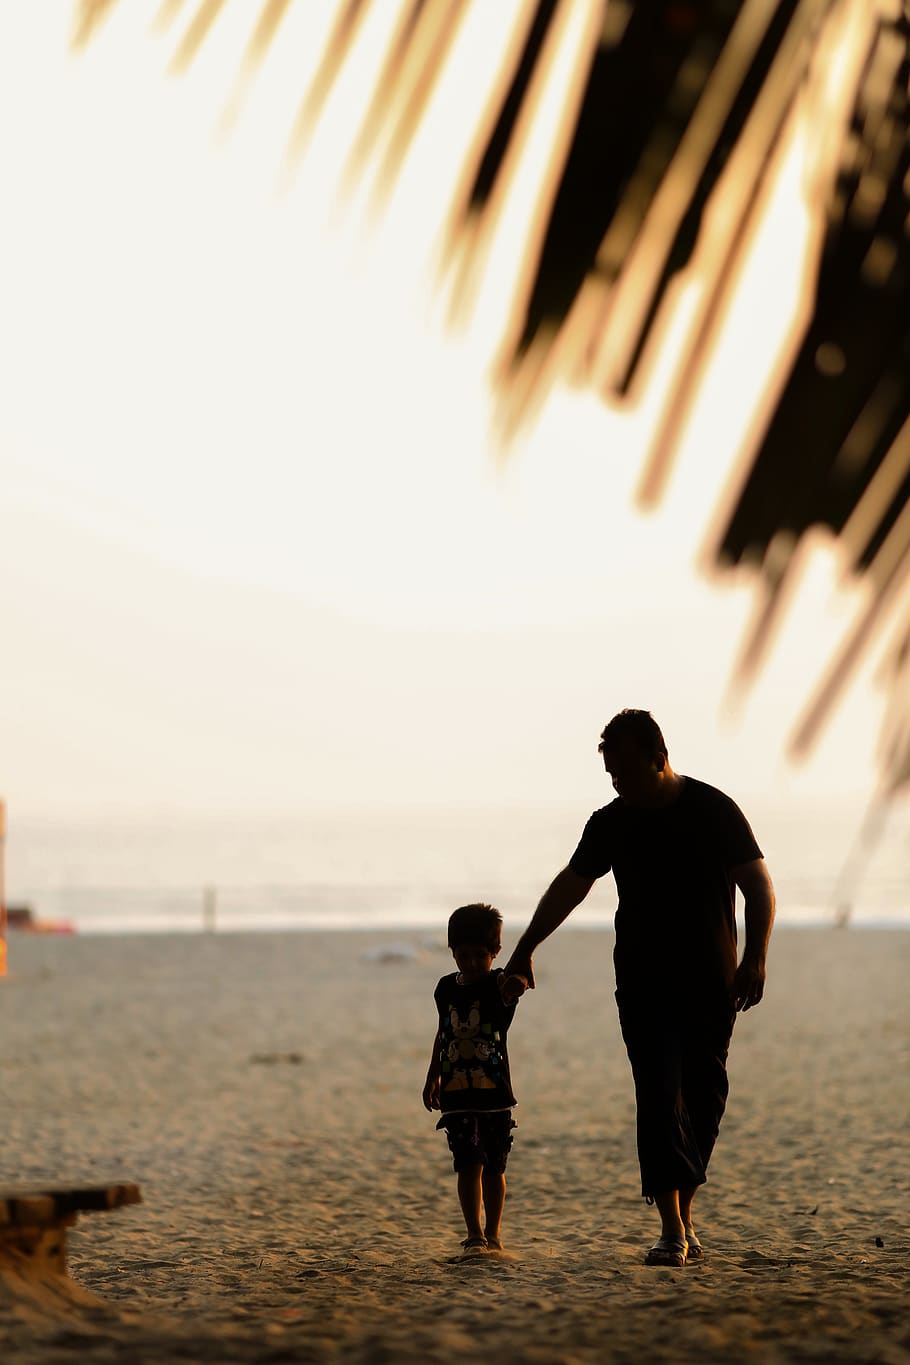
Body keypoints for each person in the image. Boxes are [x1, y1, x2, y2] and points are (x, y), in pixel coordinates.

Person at [502, 709, 775, 1267]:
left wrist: (757, 958)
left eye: (625, 770)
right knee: (657, 1098)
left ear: (658, 757)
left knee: (704, 1098)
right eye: (611, 774)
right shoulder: (610, 822)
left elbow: (758, 886)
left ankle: (686, 1216)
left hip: (712, 983)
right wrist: (526, 946)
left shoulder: (713, 809)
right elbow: (570, 887)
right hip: (644, 982)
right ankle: (671, 1230)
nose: (618, 783)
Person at [422, 903, 527, 1255]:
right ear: (451, 951)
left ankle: (494, 1232)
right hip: (456, 1096)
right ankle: (474, 1235)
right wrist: (432, 1077)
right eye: (462, 955)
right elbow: (443, 1033)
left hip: (495, 1094)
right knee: (467, 1164)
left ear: (495, 952)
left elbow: (517, 982)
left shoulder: (499, 985)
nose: (470, 963)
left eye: (479, 956)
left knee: (494, 1169)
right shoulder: (444, 989)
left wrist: (517, 980)